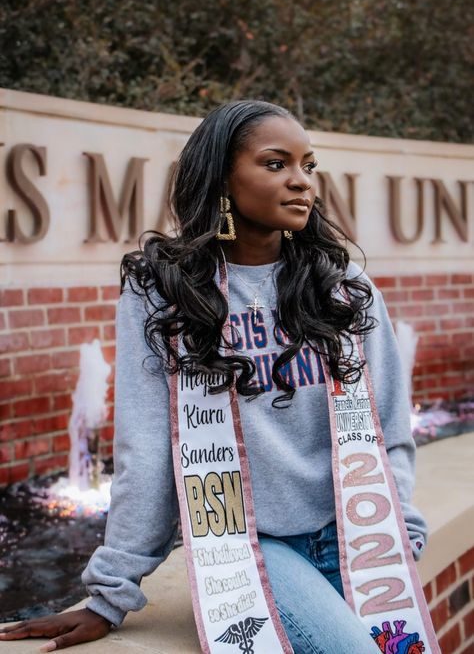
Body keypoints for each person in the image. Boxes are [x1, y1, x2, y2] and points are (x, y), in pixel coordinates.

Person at [0, 100, 427, 653]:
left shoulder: (342, 286)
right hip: (251, 547)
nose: (301, 183)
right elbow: (148, 447)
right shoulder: (164, 291)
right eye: (276, 165)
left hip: (357, 537)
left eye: (308, 166)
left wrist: (401, 527)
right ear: (222, 177)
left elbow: (389, 425)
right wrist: (110, 593)